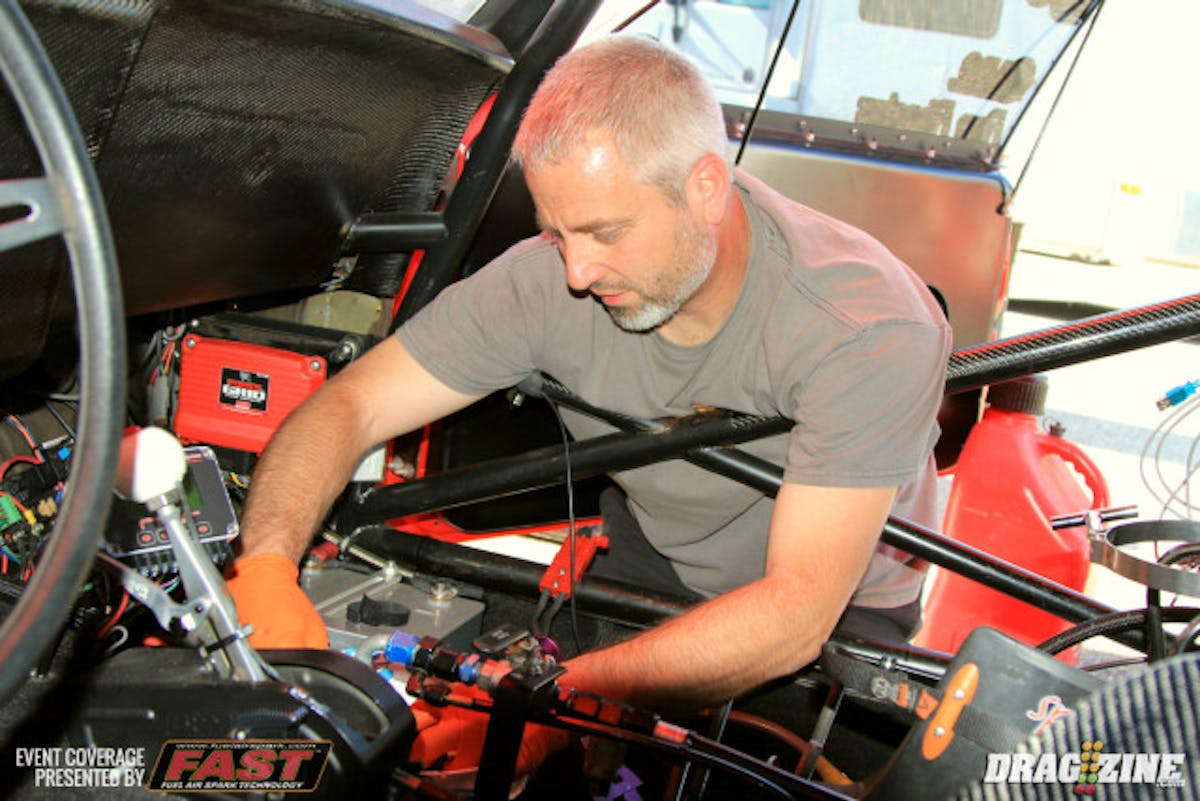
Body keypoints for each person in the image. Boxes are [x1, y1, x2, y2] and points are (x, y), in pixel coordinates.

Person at [225, 32, 949, 751]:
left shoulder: (863, 324)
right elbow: (350, 405)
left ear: (705, 188)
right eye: (557, 232)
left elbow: (794, 614)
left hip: (839, 605)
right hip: (662, 549)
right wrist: (263, 566)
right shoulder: (543, 280)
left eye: (605, 231)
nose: (575, 271)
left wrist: (549, 706)